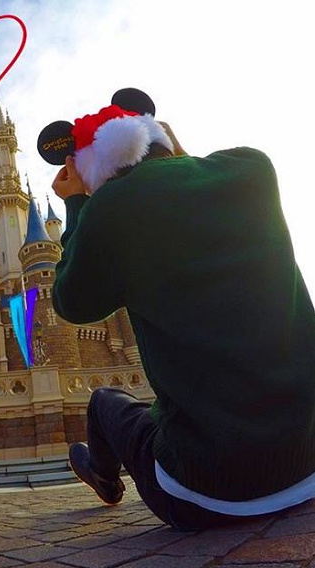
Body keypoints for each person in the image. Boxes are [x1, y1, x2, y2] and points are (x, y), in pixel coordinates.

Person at [50, 103, 315, 531]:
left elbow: (71, 302)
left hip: (208, 493)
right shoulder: (254, 168)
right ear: (161, 139)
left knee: (104, 403)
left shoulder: (111, 210)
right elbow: (193, 178)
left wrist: (78, 203)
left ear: (95, 169)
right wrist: (175, 152)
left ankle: (104, 477)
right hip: (310, 461)